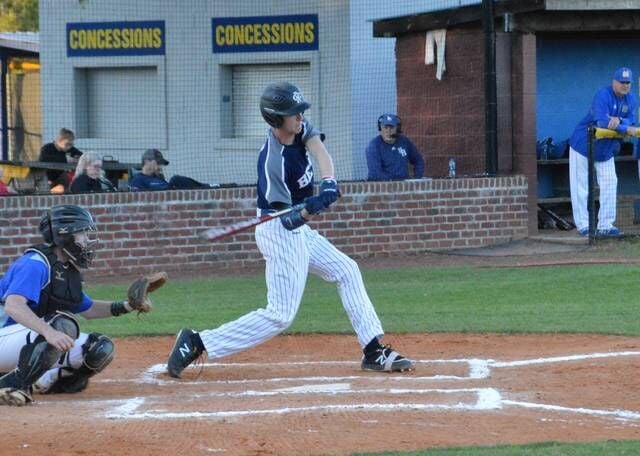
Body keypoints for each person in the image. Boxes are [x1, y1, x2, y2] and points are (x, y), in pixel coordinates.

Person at [167, 82, 414, 378]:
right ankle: (197, 341)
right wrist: (314, 207)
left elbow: (320, 150)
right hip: (279, 230)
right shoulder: (273, 164)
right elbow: (289, 220)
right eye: (293, 113)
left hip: (297, 228)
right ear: (276, 119)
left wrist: (329, 181)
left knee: (347, 270)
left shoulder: (299, 130)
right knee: (280, 315)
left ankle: (374, 350)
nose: (300, 117)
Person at [0, 205, 151, 406]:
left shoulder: (65, 270)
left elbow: (87, 309)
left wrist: (128, 306)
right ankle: (13, 384)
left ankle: (43, 382)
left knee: (98, 348)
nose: (87, 241)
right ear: (65, 235)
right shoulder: (35, 264)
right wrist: (49, 332)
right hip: (3, 335)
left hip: (17, 341)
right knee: (62, 325)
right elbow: (13, 306)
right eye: (83, 234)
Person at [569, 67, 638, 237]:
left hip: (606, 149)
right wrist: (624, 127)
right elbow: (601, 121)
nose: (625, 85)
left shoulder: (631, 98)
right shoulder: (603, 95)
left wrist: (620, 120)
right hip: (583, 145)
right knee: (581, 187)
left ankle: (606, 225)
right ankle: (584, 226)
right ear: (614, 82)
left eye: (628, 82)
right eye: (622, 82)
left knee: (610, 183)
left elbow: (633, 120)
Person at [365, 114, 425, 181]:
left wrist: (417, 179)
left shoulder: (404, 142)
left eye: (391, 128)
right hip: (382, 188)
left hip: (403, 187)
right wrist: (396, 183)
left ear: (397, 129)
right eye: (385, 127)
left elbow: (418, 160)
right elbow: (375, 174)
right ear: (380, 128)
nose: (388, 131)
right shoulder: (373, 146)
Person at [128, 149, 210, 191]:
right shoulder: (137, 180)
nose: (160, 166)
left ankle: (206, 187)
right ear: (147, 161)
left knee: (177, 179)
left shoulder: (159, 178)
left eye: (161, 164)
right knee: (175, 180)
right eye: (158, 162)